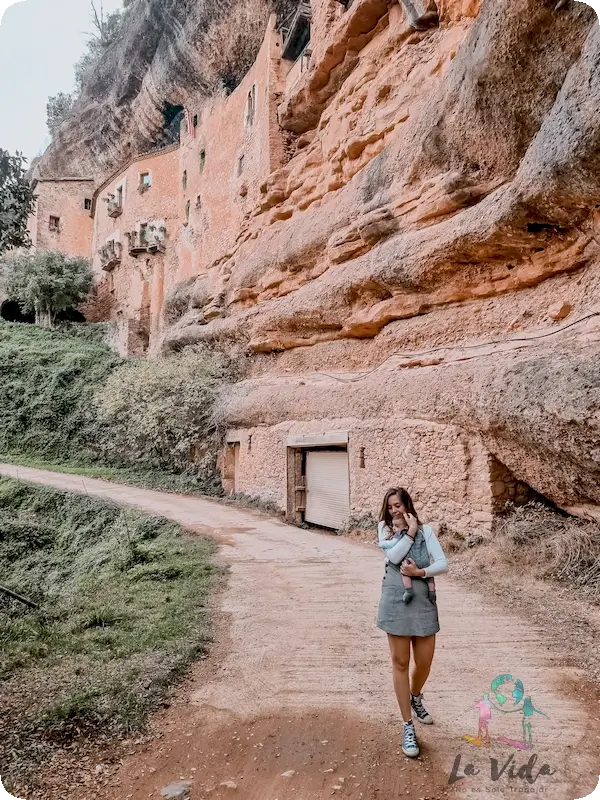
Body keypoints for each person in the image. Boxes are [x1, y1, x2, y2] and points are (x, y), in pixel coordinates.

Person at [376, 487, 448, 758]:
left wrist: (421, 571)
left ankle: (415, 696)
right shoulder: (385, 530)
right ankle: (408, 726)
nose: (395, 510)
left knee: (425, 660)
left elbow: (443, 563)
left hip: (423, 602)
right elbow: (394, 557)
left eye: (399, 505)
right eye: (391, 506)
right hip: (395, 599)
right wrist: (410, 532)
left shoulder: (427, 531)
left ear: (407, 505)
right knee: (400, 663)